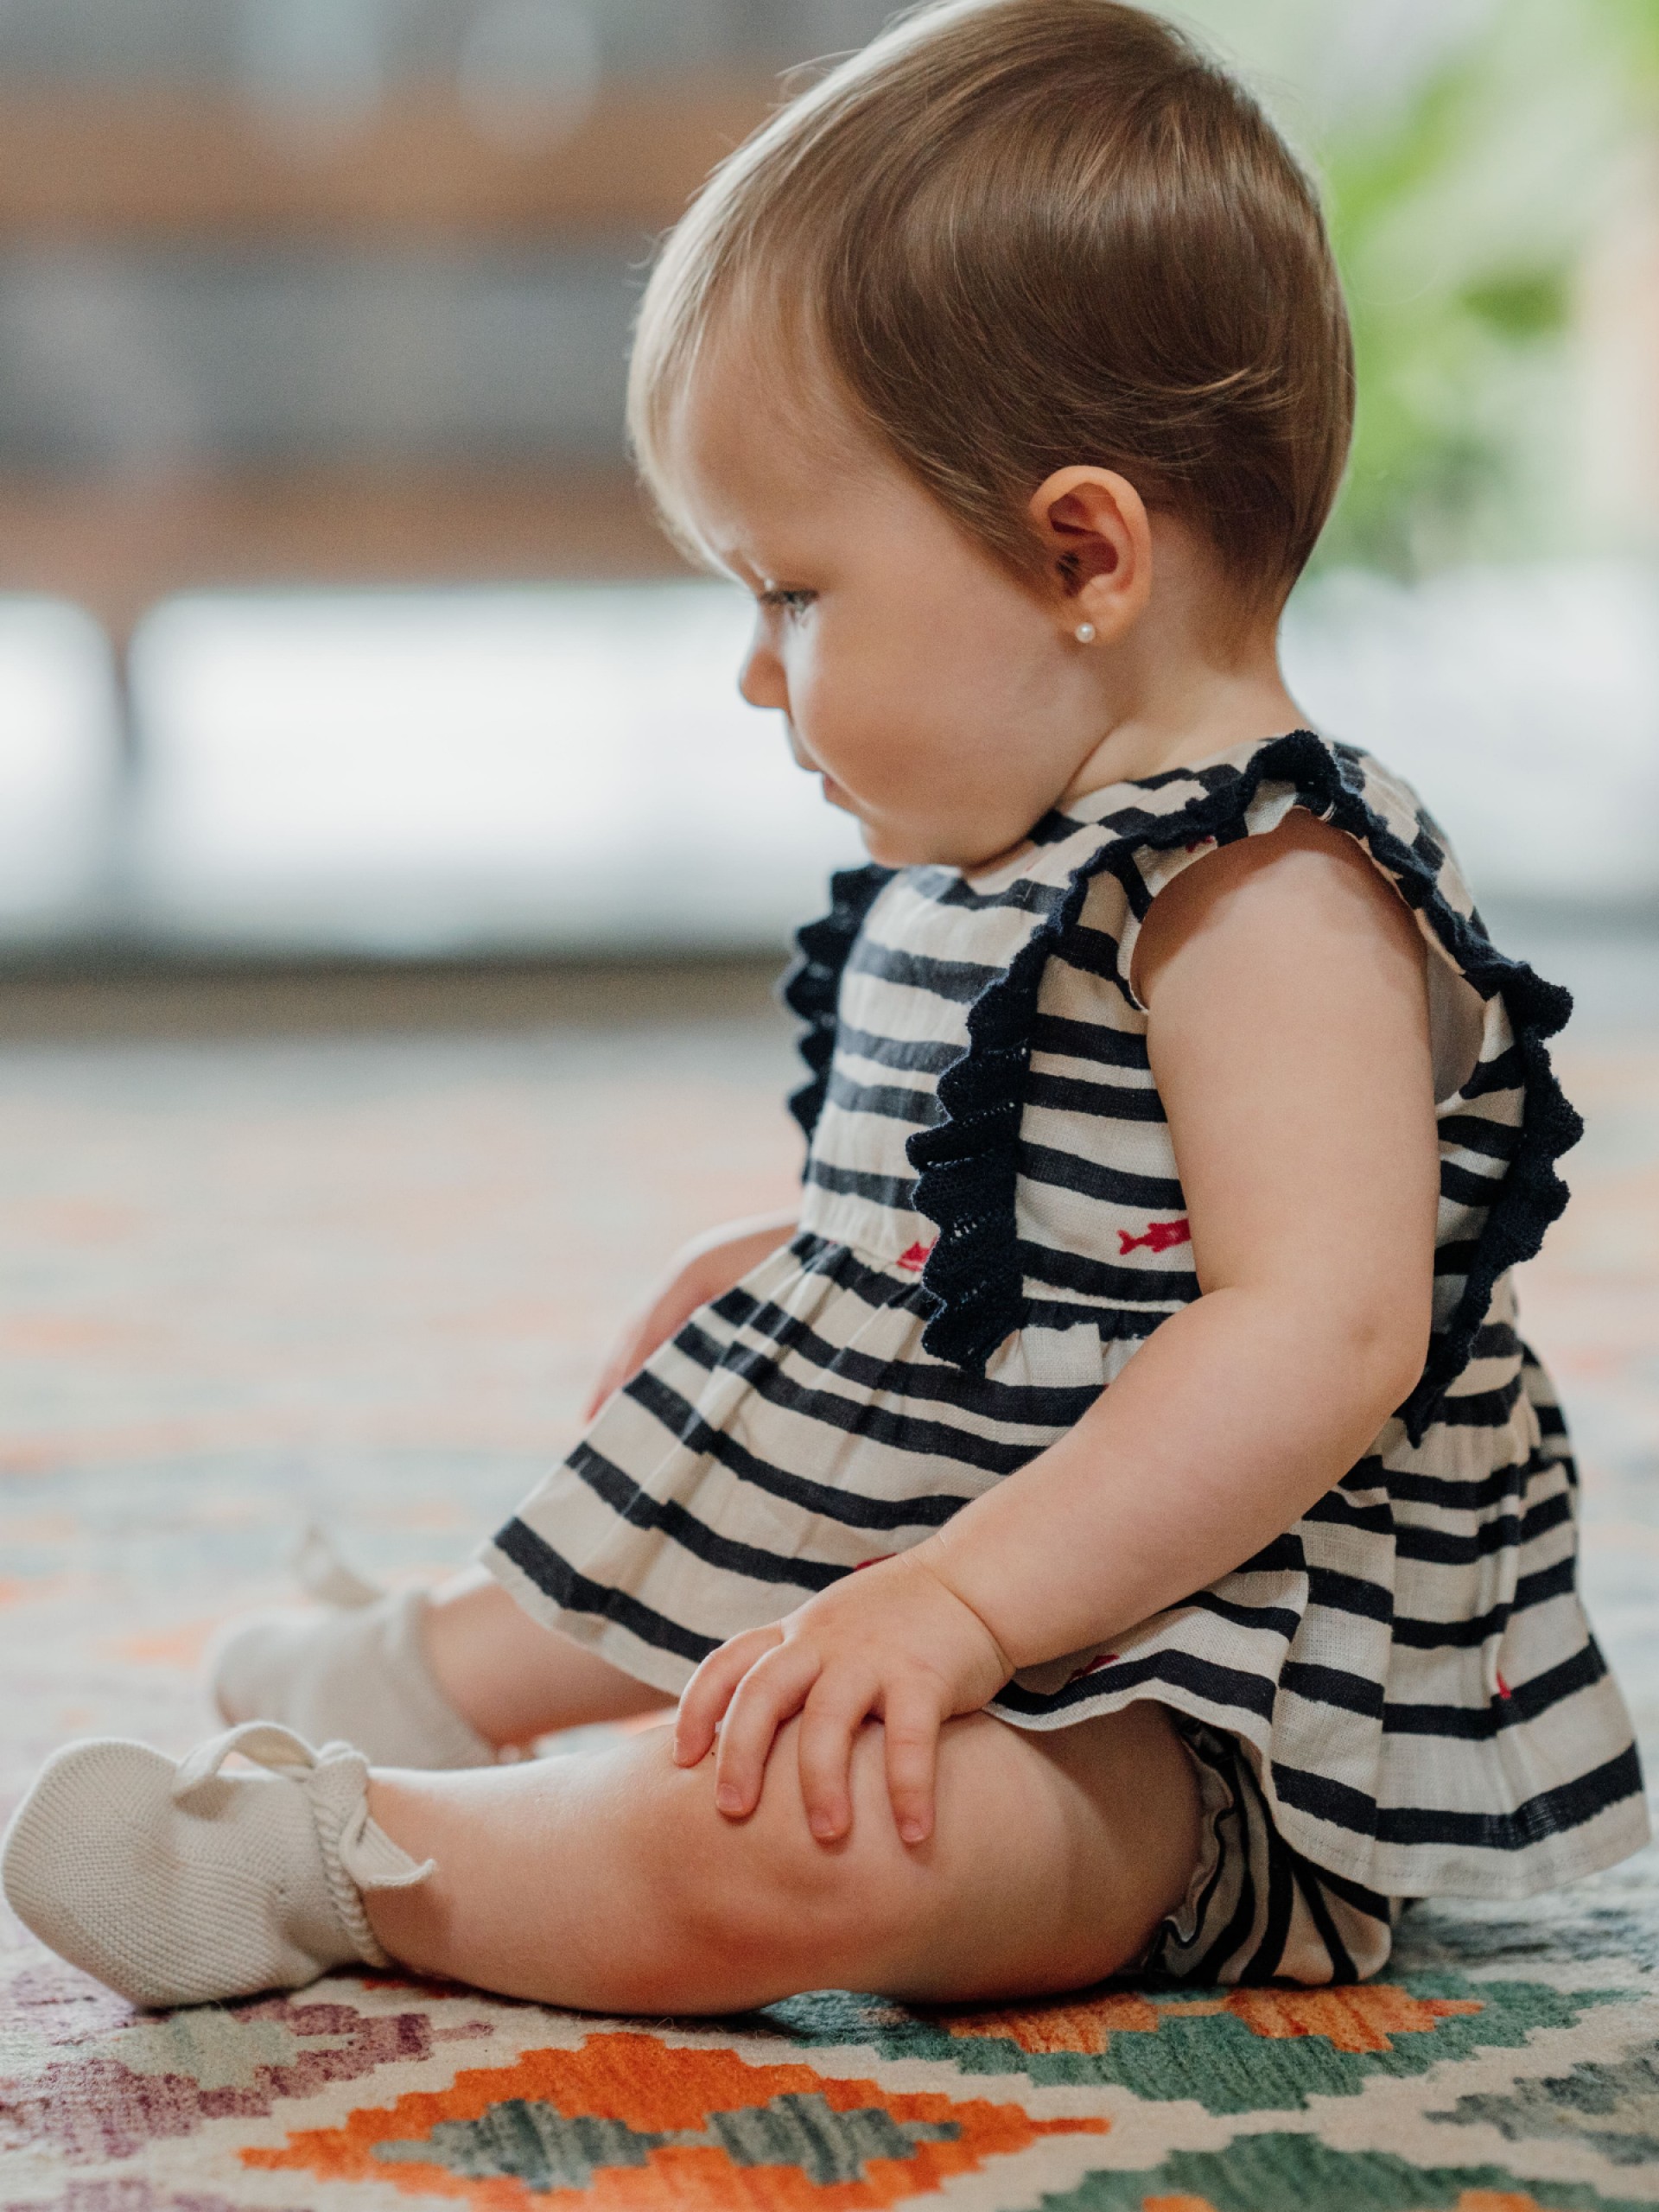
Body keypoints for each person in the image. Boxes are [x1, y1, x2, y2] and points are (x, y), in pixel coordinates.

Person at [4, 0, 1646, 2015]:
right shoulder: (1012, 843)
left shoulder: (1269, 887)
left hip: (1202, 1700)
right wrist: (809, 1275)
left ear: (1082, 552)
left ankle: (352, 1853)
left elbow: (1325, 1331)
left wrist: (956, 1604)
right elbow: (1041, 1238)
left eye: (793, 592)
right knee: (735, 1380)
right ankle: (434, 1667)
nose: (756, 673)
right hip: (981, 1528)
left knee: (821, 1838)